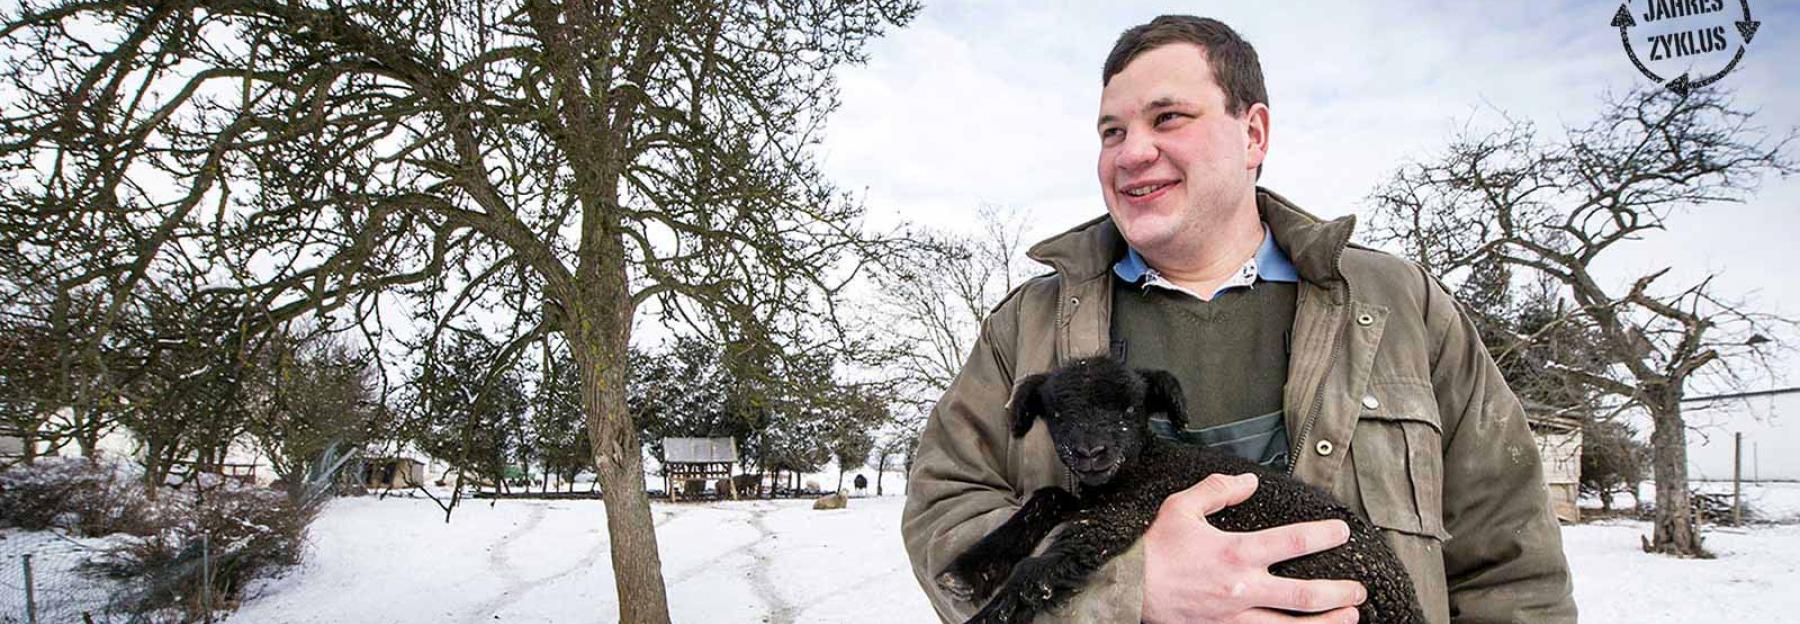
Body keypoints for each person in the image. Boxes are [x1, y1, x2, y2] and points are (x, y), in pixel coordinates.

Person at [901, 14, 1576, 624]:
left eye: (1168, 119)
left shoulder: (1399, 304)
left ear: (1253, 134)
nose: (1131, 151)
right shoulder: (1026, 325)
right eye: (1112, 130)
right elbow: (943, 511)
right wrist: (1125, 586)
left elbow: (1512, 566)